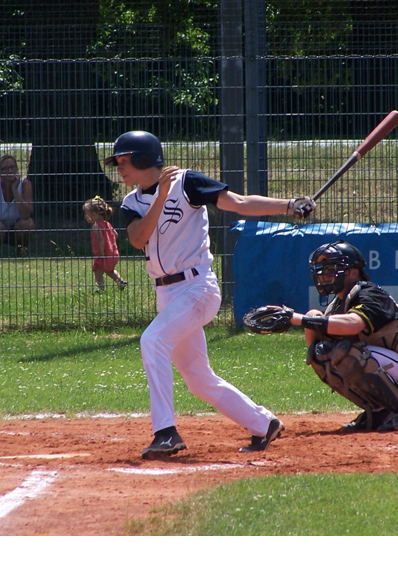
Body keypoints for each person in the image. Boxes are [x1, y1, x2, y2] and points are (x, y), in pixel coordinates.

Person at [105, 130, 317, 459]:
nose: (118, 166)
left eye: (124, 159)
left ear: (144, 159)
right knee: (199, 380)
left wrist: (289, 205)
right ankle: (264, 423)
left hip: (197, 287)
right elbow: (137, 238)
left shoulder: (188, 182)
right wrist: (159, 197)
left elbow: (240, 203)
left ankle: (166, 432)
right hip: (167, 295)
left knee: (152, 340)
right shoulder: (132, 202)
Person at [287, 240, 398, 432]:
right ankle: (378, 412)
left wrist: (299, 319)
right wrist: (304, 320)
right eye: (323, 269)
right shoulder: (338, 303)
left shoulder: (369, 293)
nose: (325, 274)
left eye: (331, 268)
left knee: (347, 352)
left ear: (352, 271)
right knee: (321, 353)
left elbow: (354, 324)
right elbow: (314, 345)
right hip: (391, 367)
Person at [0, 155, 35, 258]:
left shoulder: (25, 184)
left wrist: (15, 190)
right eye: (5, 169)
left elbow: (26, 214)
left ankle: (21, 251)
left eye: (12, 167)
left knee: (28, 224)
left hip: (17, 228)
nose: (10, 171)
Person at [83, 196, 128, 291]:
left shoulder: (96, 226)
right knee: (109, 270)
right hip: (113, 253)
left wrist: (101, 252)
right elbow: (115, 235)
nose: (85, 216)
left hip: (103, 254)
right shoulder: (108, 224)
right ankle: (120, 281)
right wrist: (111, 244)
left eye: (87, 214)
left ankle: (101, 289)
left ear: (94, 214)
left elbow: (100, 240)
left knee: (98, 271)